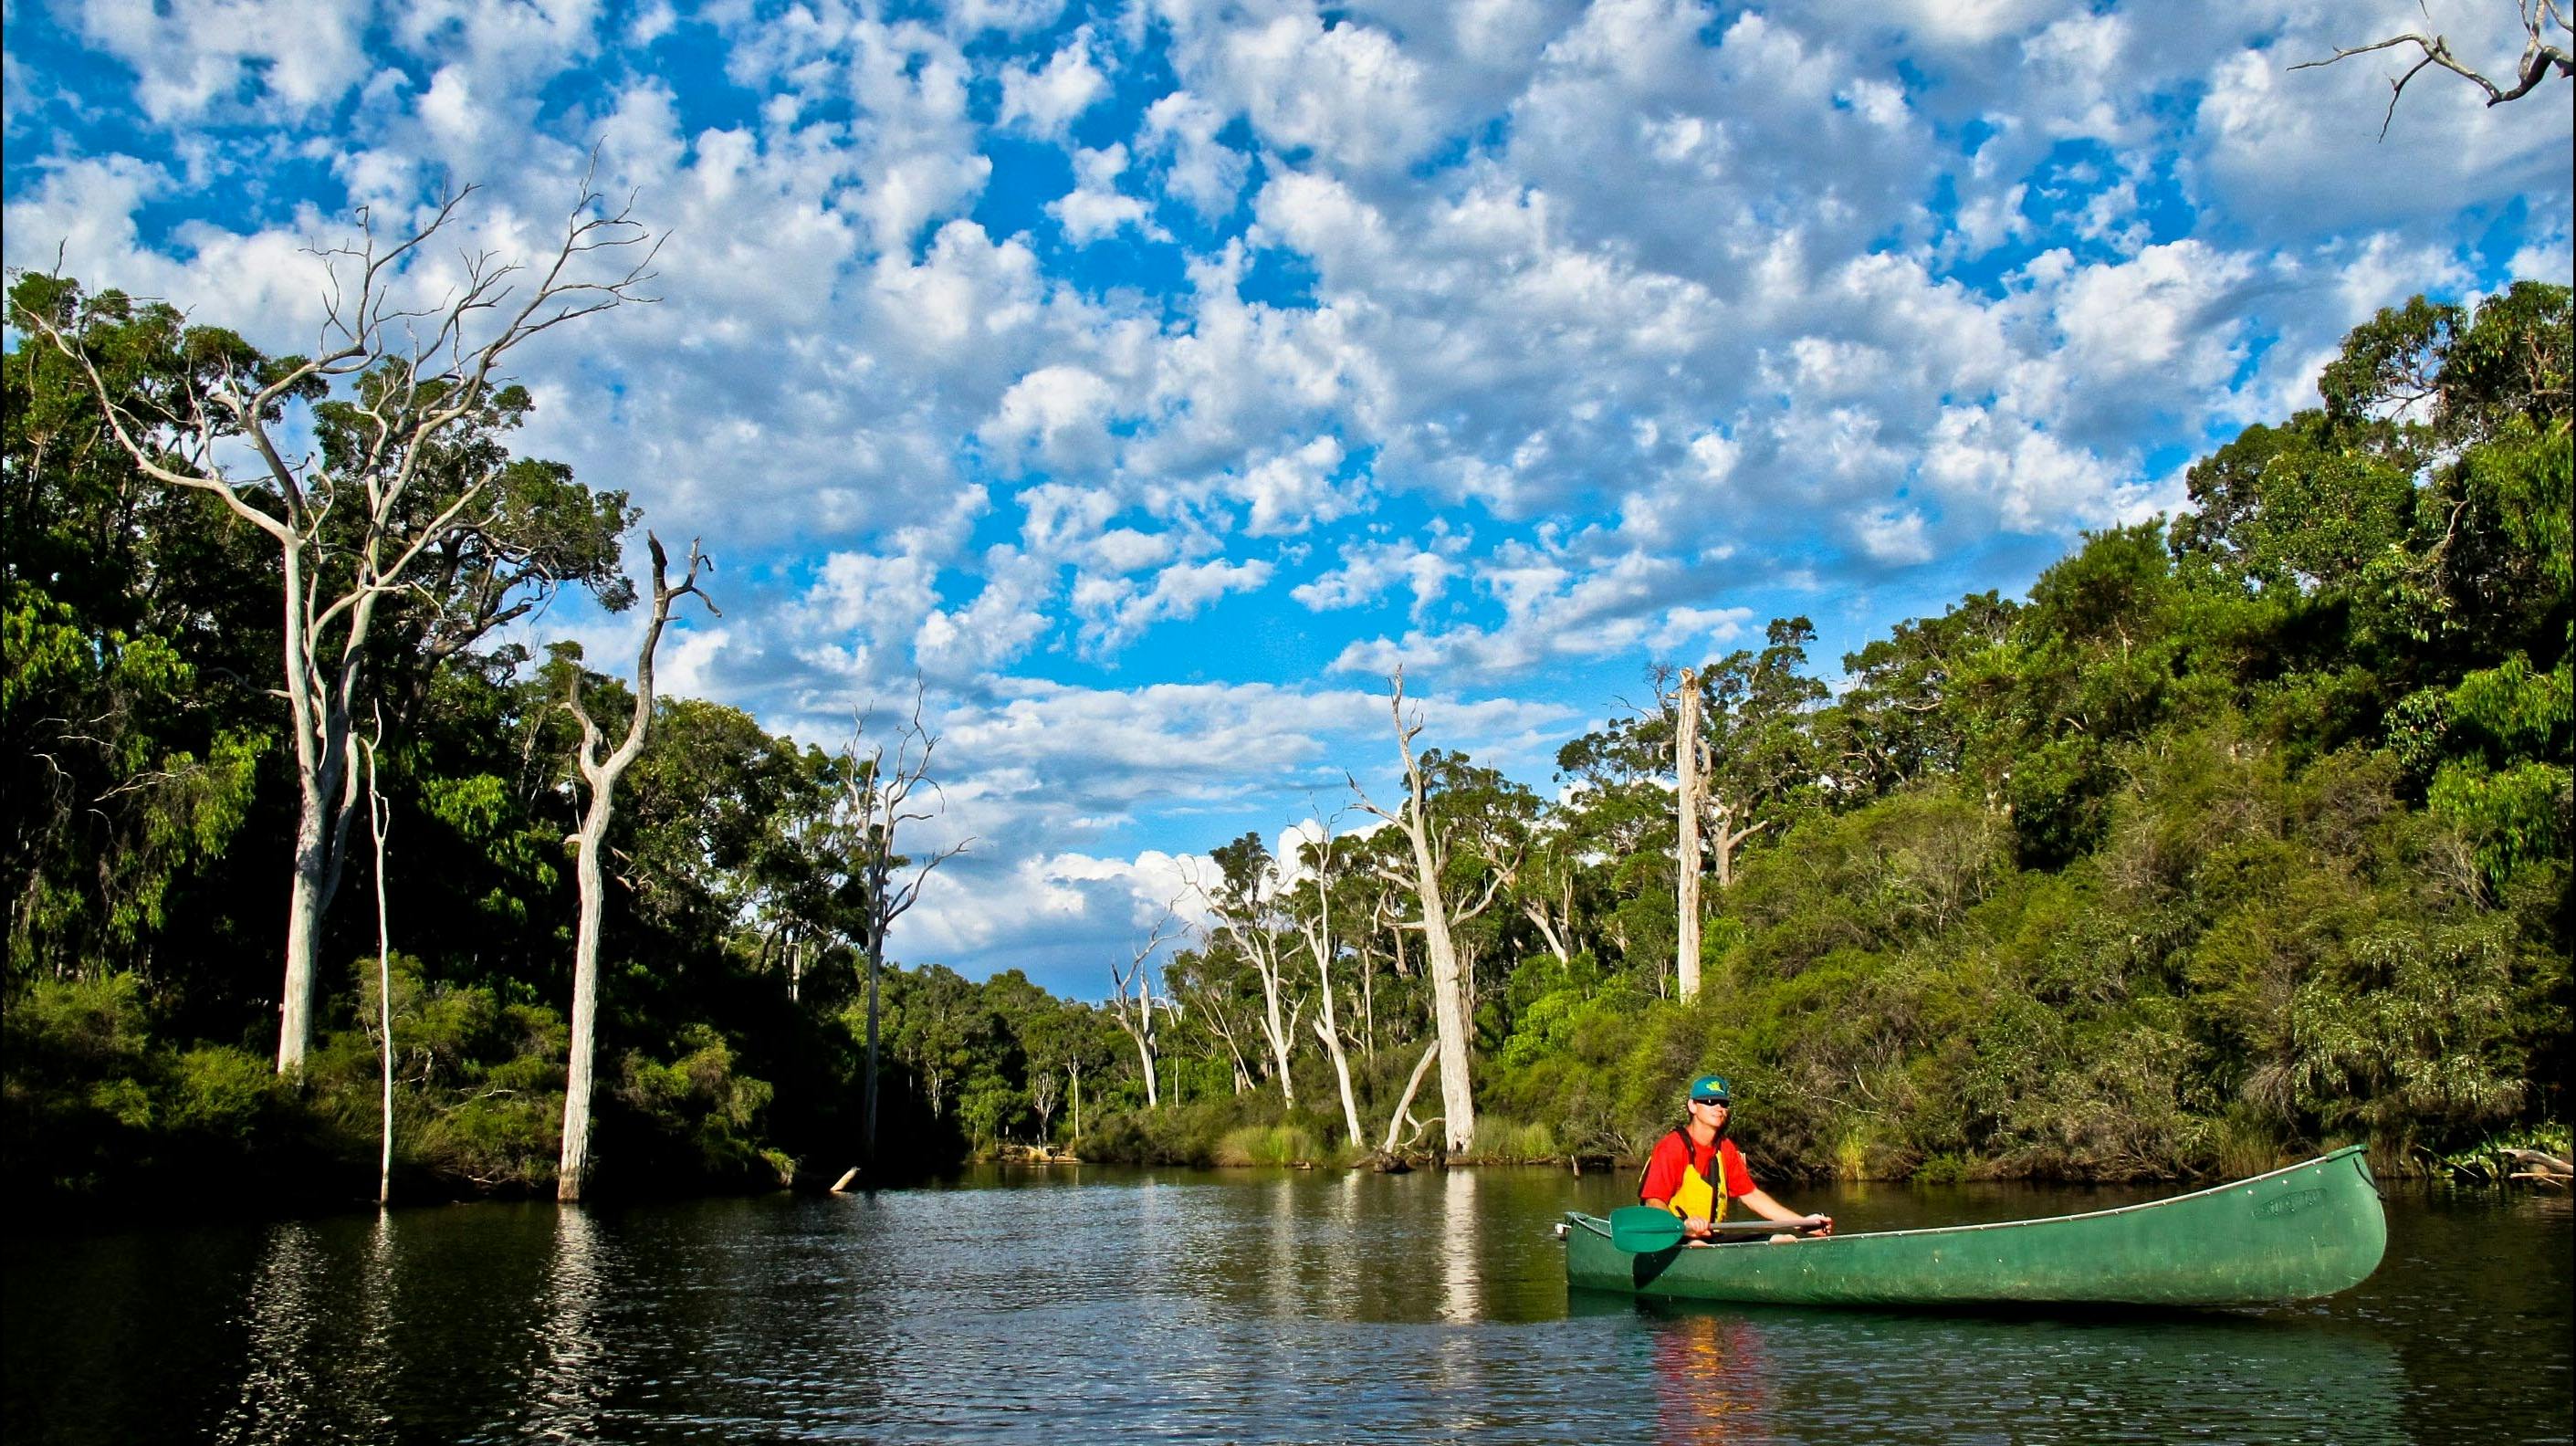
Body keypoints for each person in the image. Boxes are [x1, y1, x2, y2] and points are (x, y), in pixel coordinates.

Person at [1638, 1074, 1833, 1244]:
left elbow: (1753, 1196)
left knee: (1784, 1240)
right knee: (1698, 1246)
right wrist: (1683, 1226)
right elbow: (1654, 1202)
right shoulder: (1672, 1147)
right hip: (1672, 1239)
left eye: (1723, 1103)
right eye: (1709, 1101)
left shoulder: (1726, 1149)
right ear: (1692, 1106)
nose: (1718, 1107)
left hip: (1710, 1238)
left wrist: (1801, 1223)